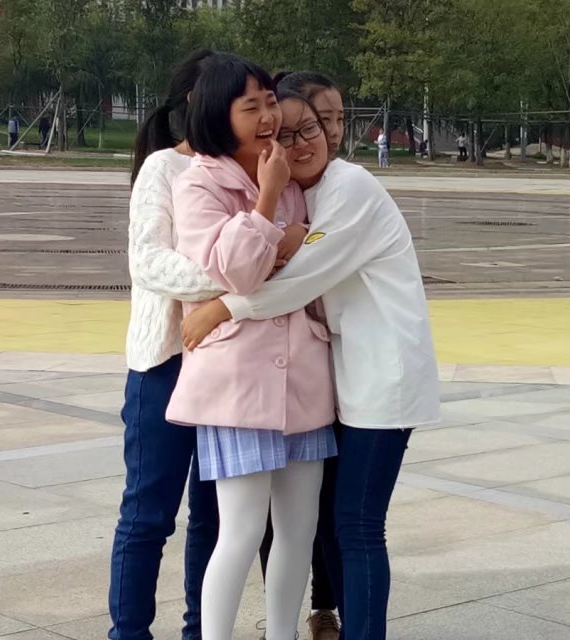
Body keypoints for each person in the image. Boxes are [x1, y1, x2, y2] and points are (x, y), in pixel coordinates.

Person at [181, 82, 440, 640]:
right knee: (324, 526)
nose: (299, 143)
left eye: (310, 129)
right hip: (341, 380)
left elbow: (300, 280)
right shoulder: (297, 192)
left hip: (383, 380)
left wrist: (220, 309)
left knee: (358, 526)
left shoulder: (350, 188)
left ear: (330, 131)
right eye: (286, 132)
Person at [168, 54, 337, 640]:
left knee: (299, 530)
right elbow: (238, 271)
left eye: (270, 102)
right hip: (237, 385)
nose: (269, 116)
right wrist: (267, 203)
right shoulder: (199, 185)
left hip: (303, 382)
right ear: (220, 114)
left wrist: (293, 235)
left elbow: (311, 258)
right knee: (240, 531)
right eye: (252, 106)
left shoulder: (288, 174)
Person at [113, 49, 220, 640]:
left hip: (227, 365)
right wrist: (234, 278)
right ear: (197, 103)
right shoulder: (163, 168)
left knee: (214, 517)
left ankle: (201, 630)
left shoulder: (241, 169)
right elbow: (149, 262)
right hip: (164, 364)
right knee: (149, 513)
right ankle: (129, 633)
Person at [261, 69, 346, 640]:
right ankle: (282, 621)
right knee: (274, 515)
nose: (332, 132)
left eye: (337, 119)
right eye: (321, 119)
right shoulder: (279, 184)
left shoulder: (343, 186)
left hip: (334, 373)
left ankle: (324, 608)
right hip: (278, 372)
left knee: (326, 507)